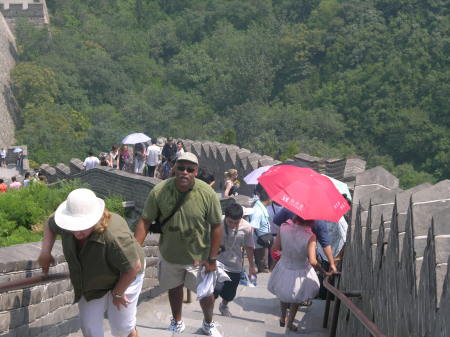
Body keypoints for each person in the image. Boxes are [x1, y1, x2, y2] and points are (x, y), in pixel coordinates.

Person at [135, 152, 223, 336]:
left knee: (206, 294)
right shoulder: (160, 191)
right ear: (174, 168)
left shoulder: (207, 193)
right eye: (181, 168)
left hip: (198, 256)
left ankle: (208, 322)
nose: (185, 172)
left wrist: (212, 258)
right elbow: (145, 221)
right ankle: (177, 321)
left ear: (196, 172)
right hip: (170, 253)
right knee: (174, 288)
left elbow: (216, 226)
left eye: (190, 169)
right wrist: (134, 251)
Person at [38, 188, 145, 337]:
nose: (77, 233)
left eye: (82, 226)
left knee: (121, 327)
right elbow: (51, 223)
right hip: (94, 278)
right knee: (89, 326)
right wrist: (45, 253)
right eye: (73, 226)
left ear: (96, 219)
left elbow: (134, 267)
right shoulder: (67, 224)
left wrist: (118, 293)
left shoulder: (113, 236)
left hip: (126, 274)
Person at [268, 215, 329, 332]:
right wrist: (323, 271)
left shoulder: (283, 227)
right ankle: (290, 323)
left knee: (283, 292)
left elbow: (275, 248)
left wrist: (286, 253)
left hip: (284, 265)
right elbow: (312, 261)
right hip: (300, 269)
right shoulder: (310, 236)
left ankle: (282, 316)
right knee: (296, 298)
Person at [215, 203, 256, 317]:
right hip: (217, 261)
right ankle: (208, 312)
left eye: (236, 222)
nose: (232, 225)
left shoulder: (247, 228)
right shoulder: (218, 222)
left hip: (235, 264)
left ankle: (224, 305)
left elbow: (249, 247)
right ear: (225, 217)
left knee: (229, 294)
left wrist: (252, 266)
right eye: (229, 222)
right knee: (215, 290)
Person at [273, 208, 338, 275]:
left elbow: (274, 250)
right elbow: (313, 261)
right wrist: (328, 267)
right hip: (301, 271)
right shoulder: (312, 235)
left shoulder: (283, 226)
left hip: (283, 268)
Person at [250, 184, 272, 273]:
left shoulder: (261, 207)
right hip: (259, 242)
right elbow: (252, 227)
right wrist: (250, 244)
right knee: (262, 267)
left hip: (263, 240)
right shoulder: (258, 210)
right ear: (269, 198)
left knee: (264, 263)